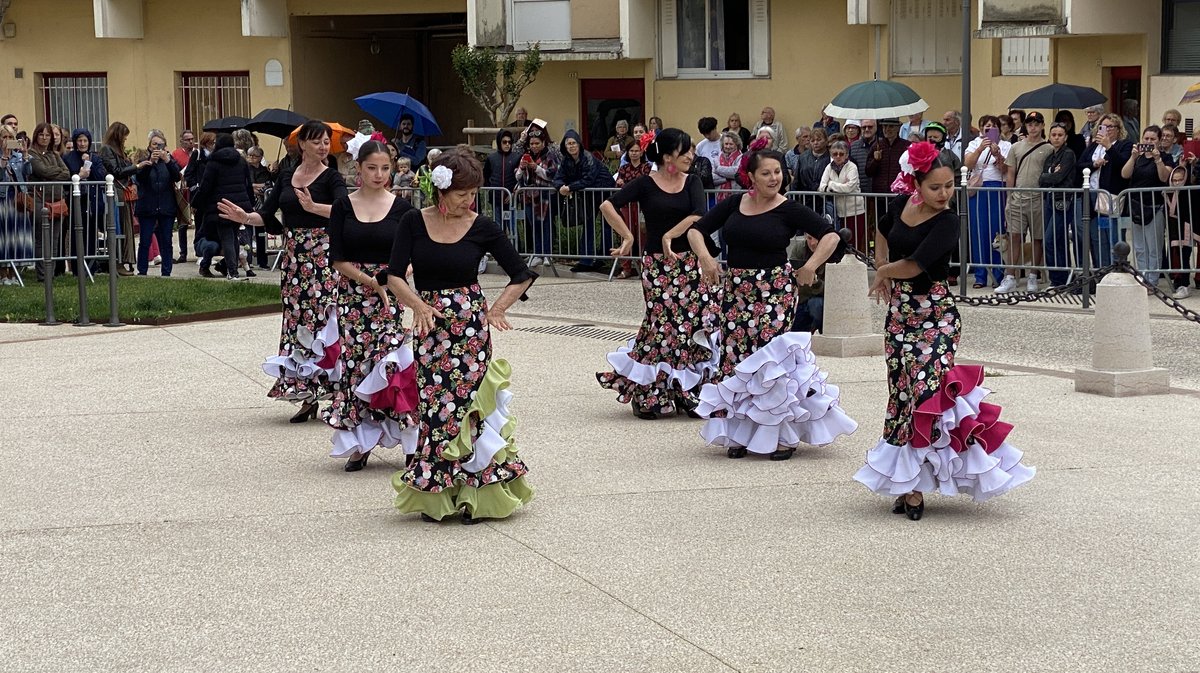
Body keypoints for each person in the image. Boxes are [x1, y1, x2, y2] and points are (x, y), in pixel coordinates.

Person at [855, 142, 1034, 520]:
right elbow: (883, 230)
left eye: (950, 185)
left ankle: (919, 488)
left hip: (936, 316)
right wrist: (882, 262)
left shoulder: (949, 221)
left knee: (927, 392)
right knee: (903, 396)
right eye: (935, 187)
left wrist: (882, 273)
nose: (944, 194)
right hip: (900, 317)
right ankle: (905, 480)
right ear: (916, 184)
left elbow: (917, 265)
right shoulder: (900, 206)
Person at [385, 148, 537, 524]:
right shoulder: (413, 222)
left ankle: (478, 493)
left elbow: (521, 273)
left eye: (473, 194)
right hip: (430, 328)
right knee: (436, 407)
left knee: (471, 408)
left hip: (470, 330)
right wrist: (417, 306)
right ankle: (438, 490)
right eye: (462, 194)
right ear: (441, 190)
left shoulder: (481, 225)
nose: (469, 202)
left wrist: (497, 309)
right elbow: (392, 276)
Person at [686, 148, 855, 461]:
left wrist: (811, 266)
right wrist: (706, 258)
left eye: (777, 172)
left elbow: (830, 236)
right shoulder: (735, 203)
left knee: (769, 361)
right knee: (737, 358)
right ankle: (740, 431)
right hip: (736, 290)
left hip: (774, 291)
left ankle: (781, 434)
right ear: (751, 176)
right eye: (766, 172)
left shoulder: (787, 208)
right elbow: (696, 230)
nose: (773, 178)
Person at [217, 120, 348, 422]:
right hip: (294, 259)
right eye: (317, 141)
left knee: (324, 323)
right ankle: (305, 391)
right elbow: (268, 213)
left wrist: (315, 208)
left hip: (323, 257)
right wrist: (245, 217)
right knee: (297, 322)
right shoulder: (288, 175)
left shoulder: (332, 178)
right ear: (302, 145)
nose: (323, 146)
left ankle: (333, 391)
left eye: (326, 141)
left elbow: (346, 210)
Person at [596, 128, 721, 420]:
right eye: (684, 150)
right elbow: (607, 205)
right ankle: (653, 391)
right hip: (657, 266)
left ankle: (690, 390)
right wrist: (626, 236)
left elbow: (699, 215)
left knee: (692, 322)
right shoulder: (645, 184)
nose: (691, 155)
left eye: (691, 149)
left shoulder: (693, 182)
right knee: (662, 325)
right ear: (667, 157)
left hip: (690, 262)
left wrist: (670, 235)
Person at [321, 139, 419, 472]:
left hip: (390, 297)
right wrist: (370, 282)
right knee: (356, 369)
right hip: (354, 298)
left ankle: (409, 441)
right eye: (372, 168)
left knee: (391, 365)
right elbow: (337, 259)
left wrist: (394, 276)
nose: (379, 175)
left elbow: (411, 256)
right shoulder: (343, 206)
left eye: (386, 168)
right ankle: (360, 443)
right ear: (358, 168)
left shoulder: (404, 210)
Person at [997, 111, 1053, 294]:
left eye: (1037, 123)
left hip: (1038, 198)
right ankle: (1011, 276)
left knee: (1037, 238)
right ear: (1025, 126)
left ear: (1042, 125)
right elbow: (1010, 173)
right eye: (1030, 124)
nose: (1033, 127)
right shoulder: (1016, 147)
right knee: (1014, 236)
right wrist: (1009, 197)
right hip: (1017, 198)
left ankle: (1033, 276)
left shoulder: (1049, 148)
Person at [190, 134, 253, 280]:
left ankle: (232, 272)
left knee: (227, 238)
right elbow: (248, 184)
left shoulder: (213, 162)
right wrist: (249, 205)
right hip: (239, 205)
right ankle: (233, 270)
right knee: (235, 237)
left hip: (220, 206)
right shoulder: (242, 161)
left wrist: (196, 203)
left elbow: (206, 186)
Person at [553, 129, 615, 273]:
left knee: (608, 225)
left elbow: (589, 179)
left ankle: (604, 258)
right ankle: (585, 260)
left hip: (605, 192)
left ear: (579, 144)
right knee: (588, 225)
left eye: (574, 143)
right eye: (568, 144)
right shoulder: (566, 160)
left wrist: (570, 187)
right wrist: (560, 187)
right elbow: (558, 177)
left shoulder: (588, 157)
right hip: (589, 195)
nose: (571, 146)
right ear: (565, 146)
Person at [1078, 112, 1133, 274]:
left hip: (1112, 196)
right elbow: (1080, 165)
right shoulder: (1094, 146)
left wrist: (1110, 147)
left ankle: (1117, 271)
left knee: (1113, 236)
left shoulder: (1125, 145)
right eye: (1103, 126)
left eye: (1111, 127)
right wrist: (1094, 164)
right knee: (1097, 237)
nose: (1107, 130)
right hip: (1093, 196)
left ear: (1118, 129)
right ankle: (1101, 272)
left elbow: (1123, 165)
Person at [1120, 125, 1173, 288]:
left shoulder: (1166, 158)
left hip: (1154, 206)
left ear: (1159, 141)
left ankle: (1152, 280)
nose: (1149, 142)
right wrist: (1133, 157)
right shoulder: (1138, 157)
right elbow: (1125, 174)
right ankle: (1142, 276)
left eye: (1153, 139)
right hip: (1136, 206)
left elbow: (1164, 177)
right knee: (1139, 246)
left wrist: (1158, 160)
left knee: (1153, 246)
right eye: (1146, 139)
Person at [131, 131, 182, 276]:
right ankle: (142, 271)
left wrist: (167, 161)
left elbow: (177, 177)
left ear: (165, 146)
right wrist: (149, 162)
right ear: (149, 145)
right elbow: (140, 178)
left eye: (160, 144)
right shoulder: (143, 158)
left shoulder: (169, 159)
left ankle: (166, 271)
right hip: (147, 205)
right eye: (154, 144)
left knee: (166, 240)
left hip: (166, 205)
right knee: (145, 240)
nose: (157, 147)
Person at [1038, 123, 1081, 287]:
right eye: (1053, 134)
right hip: (1049, 199)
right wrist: (1049, 174)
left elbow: (1059, 177)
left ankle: (1057, 280)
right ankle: (1060, 278)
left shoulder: (1068, 154)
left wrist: (1049, 175)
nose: (1056, 137)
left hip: (1063, 200)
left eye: (1060, 135)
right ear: (1049, 136)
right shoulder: (1050, 156)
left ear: (1066, 137)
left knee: (1051, 240)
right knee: (1057, 240)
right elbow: (1041, 179)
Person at [27, 122, 71, 279]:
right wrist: (53, 172)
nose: (44, 138)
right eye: (41, 134)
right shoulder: (31, 154)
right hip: (39, 200)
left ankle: (50, 274)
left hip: (57, 201)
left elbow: (66, 173)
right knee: (41, 238)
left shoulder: (54, 154)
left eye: (47, 135)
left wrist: (51, 173)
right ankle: (42, 274)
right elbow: (41, 170)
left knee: (54, 238)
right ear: (36, 136)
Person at [62, 128, 108, 270]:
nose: (82, 144)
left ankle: (91, 267)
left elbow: (101, 176)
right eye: (79, 141)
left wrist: (90, 164)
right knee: (77, 235)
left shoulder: (95, 157)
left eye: (85, 141)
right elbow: (66, 179)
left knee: (92, 234)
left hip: (92, 201)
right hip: (77, 202)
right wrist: (79, 175)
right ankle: (77, 268)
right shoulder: (68, 158)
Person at [514, 125, 560, 267]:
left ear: (543, 143)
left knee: (545, 225)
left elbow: (553, 175)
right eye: (532, 143)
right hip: (528, 195)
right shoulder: (525, 156)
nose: (534, 146)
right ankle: (537, 253)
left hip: (544, 195)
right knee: (534, 225)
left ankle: (547, 254)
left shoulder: (550, 156)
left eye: (537, 143)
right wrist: (522, 167)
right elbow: (517, 177)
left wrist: (536, 168)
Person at [96, 122, 139, 275]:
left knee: (126, 228)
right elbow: (116, 171)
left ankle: (124, 260)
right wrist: (137, 167)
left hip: (122, 193)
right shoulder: (107, 150)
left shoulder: (116, 150)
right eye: (124, 137)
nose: (125, 141)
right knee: (119, 228)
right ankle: (118, 262)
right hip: (116, 193)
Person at [612, 137, 654, 279]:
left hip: (643, 206)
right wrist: (622, 183)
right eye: (631, 151)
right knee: (627, 235)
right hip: (627, 205)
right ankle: (626, 267)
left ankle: (645, 267)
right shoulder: (623, 168)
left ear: (642, 152)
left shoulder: (647, 167)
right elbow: (619, 184)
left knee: (643, 236)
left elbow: (646, 184)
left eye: (637, 151)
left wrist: (628, 184)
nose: (634, 153)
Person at [0, 123, 34, 285]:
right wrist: (4, 158)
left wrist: (26, 154)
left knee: (17, 235)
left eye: (10, 138)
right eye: (4, 137)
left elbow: (29, 172)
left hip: (18, 199)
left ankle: (14, 274)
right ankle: (3, 274)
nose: (7, 141)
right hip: (2, 200)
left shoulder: (18, 156)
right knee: (4, 236)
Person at [820, 140, 866, 248]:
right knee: (840, 243)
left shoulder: (852, 167)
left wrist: (831, 185)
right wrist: (838, 186)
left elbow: (850, 187)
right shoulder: (829, 167)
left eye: (841, 154)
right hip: (838, 212)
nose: (838, 156)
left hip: (855, 210)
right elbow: (821, 187)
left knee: (854, 242)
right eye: (835, 154)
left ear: (846, 155)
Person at [789, 234, 827, 333]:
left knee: (816, 304)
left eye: (817, 239)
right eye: (809, 238)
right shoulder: (799, 249)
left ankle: (822, 331)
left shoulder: (832, 253)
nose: (812, 243)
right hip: (802, 298)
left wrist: (816, 282)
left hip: (822, 299)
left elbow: (833, 290)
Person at [483, 128, 519, 224]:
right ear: (499, 143)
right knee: (498, 226)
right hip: (496, 199)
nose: (507, 144)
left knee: (512, 227)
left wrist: (513, 193)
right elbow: (486, 175)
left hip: (511, 199)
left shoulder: (517, 157)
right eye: (504, 142)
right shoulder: (491, 158)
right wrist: (490, 189)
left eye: (509, 142)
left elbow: (520, 178)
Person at [866, 118, 910, 195]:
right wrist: (876, 161)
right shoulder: (876, 146)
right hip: (879, 193)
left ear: (898, 128)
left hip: (899, 192)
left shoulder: (906, 146)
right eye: (885, 126)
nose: (887, 129)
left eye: (891, 126)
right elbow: (868, 172)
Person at [246, 145, 273, 268]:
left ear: (260, 157)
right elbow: (247, 185)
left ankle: (263, 261)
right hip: (249, 202)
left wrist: (254, 186)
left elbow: (267, 186)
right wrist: (255, 187)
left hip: (262, 203)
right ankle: (248, 260)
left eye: (254, 156)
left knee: (261, 233)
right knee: (247, 232)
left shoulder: (265, 170)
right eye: (249, 155)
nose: (251, 158)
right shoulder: (246, 168)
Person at [713, 131, 742, 200]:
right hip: (719, 198)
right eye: (726, 144)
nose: (728, 147)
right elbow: (712, 177)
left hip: (736, 196)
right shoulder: (716, 158)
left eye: (731, 144)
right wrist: (726, 178)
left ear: (736, 145)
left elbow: (736, 172)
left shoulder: (741, 157)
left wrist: (719, 169)